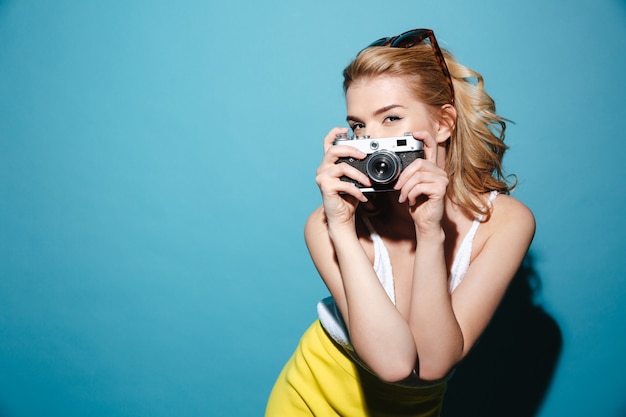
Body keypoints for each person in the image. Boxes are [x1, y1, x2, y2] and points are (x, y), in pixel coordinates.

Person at [265, 28, 535, 417]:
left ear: (443, 124)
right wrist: (341, 227)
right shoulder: (326, 224)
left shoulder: (505, 222)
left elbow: (434, 364)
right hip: (311, 394)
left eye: (390, 118)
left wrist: (430, 233)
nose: (372, 139)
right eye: (359, 126)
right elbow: (391, 363)